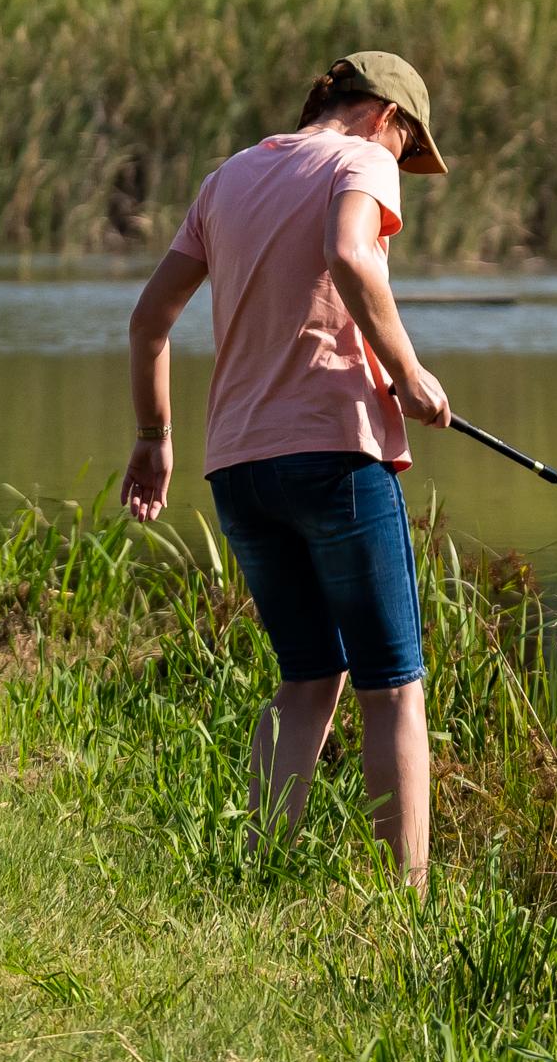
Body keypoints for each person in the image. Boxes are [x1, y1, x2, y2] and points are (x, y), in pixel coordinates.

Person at [122, 51, 451, 886]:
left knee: (308, 675)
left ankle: (261, 870)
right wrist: (409, 372)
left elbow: (149, 319)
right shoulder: (362, 156)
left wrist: (155, 434)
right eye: (408, 140)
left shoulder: (226, 177)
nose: (401, 160)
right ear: (386, 115)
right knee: (395, 685)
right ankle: (405, 910)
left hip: (238, 467)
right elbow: (349, 253)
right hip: (335, 452)